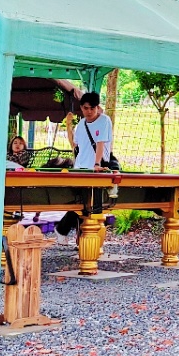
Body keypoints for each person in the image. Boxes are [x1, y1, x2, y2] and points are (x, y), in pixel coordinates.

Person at [54, 92, 113, 246]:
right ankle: (69, 233)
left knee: (88, 205)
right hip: (81, 168)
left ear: (97, 107)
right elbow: (75, 145)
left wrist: (97, 164)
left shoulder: (104, 120)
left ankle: (67, 232)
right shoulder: (81, 124)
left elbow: (100, 143)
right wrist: (68, 126)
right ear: (81, 108)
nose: (89, 111)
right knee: (83, 204)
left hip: (96, 169)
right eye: (86, 108)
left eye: (92, 108)